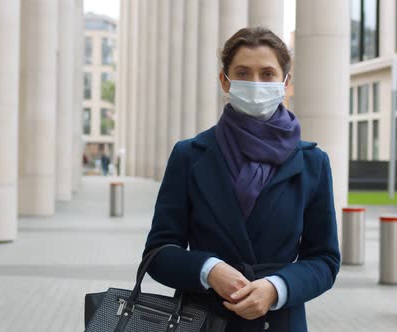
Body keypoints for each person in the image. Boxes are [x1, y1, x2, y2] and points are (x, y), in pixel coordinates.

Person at [143, 27, 340, 331]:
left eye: (267, 74)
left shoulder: (313, 163)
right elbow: (158, 253)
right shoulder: (189, 156)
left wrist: (277, 288)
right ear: (225, 79)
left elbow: (324, 260)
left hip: (279, 321)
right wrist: (208, 270)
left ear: (285, 82)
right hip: (201, 320)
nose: (255, 83)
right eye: (243, 72)